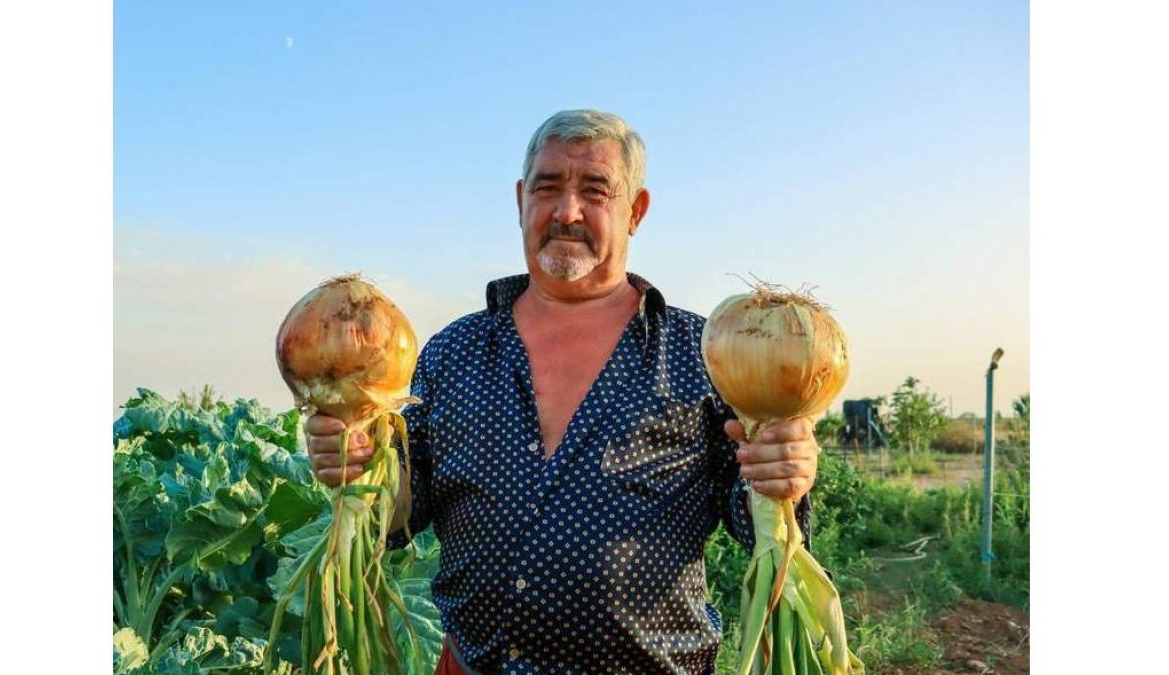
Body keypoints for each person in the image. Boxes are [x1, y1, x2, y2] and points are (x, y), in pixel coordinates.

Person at [305, 109, 821, 675]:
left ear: (636, 211)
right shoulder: (452, 350)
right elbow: (406, 508)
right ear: (522, 199)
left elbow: (757, 527)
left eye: (595, 191)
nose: (566, 211)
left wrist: (785, 477)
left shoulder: (705, 353)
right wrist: (362, 469)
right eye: (548, 187)